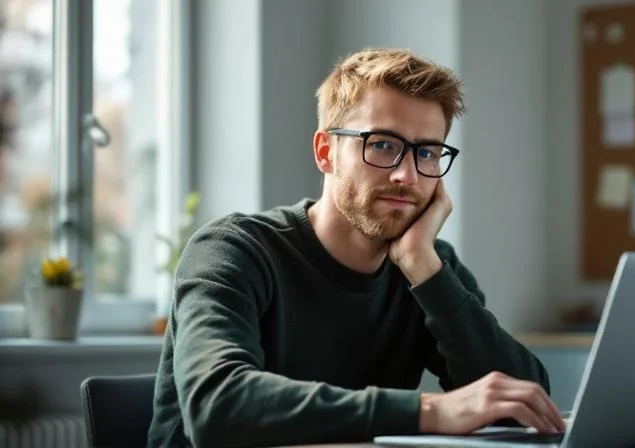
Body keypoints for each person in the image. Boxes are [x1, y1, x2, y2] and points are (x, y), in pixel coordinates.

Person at [147, 47, 565, 448]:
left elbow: (522, 405)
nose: (406, 174)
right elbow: (218, 408)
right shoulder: (233, 250)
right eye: (383, 144)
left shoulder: (430, 268)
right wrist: (427, 411)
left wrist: (425, 270)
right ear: (326, 152)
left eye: (427, 152)